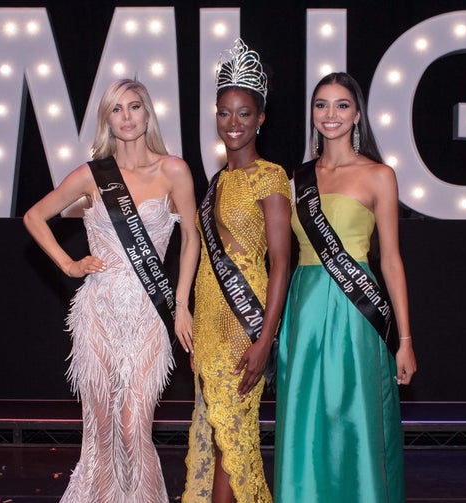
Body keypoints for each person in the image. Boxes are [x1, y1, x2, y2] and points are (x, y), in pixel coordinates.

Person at [23, 78, 200, 502]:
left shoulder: (174, 170)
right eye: (117, 109)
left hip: (150, 309)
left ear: (147, 113)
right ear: (107, 119)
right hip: (98, 309)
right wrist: (68, 264)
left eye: (134, 107)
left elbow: (191, 238)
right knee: (102, 427)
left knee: (134, 423)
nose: (126, 117)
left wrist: (180, 303)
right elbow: (34, 216)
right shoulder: (92, 174)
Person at [273, 72, 417, 503]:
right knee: (305, 419)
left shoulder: (379, 175)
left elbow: (390, 259)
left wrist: (405, 340)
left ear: (357, 114)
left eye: (340, 105)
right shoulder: (294, 179)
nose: (330, 114)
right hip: (304, 308)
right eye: (321, 105)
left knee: (355, 417)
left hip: (357, 310)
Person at [182, 39, 292, 503]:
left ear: (261, 118)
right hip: (208, 324)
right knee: (218, 432)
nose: (233, 123)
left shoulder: (271, 177)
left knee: (236, 438)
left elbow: (282, 262)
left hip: (244, 328)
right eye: (224, 113)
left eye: (244, 113)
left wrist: (265, 339)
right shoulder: (215, 182)